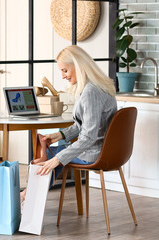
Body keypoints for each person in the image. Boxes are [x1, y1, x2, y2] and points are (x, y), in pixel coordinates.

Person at [21, 45, 117, 203]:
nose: (63, 76)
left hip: (95, 154)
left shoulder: (90, 92)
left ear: (78, 65)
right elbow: (85, 126)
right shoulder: (98, 86)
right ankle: (28, 197)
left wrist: (57, 159)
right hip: (107, 151)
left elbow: (88, 137)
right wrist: (60, 135)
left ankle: (27, 200)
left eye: (65, 70)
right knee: (50, 154)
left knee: (49, 156)